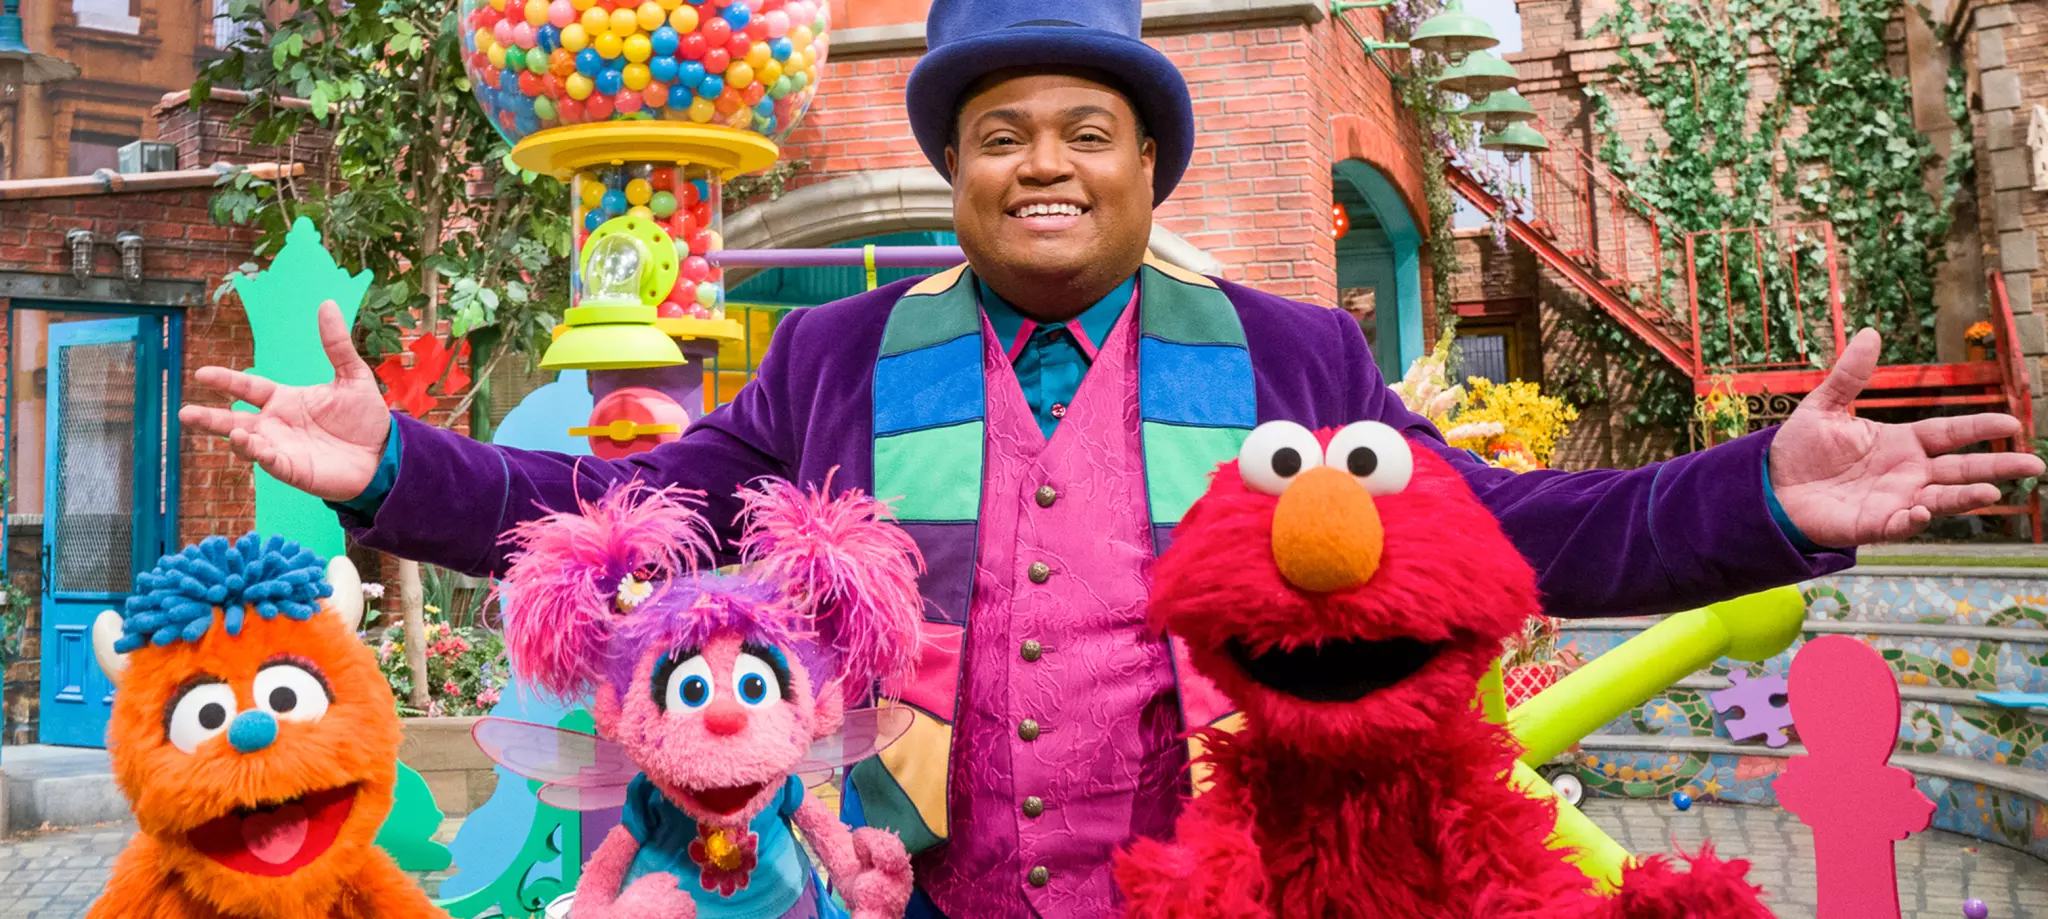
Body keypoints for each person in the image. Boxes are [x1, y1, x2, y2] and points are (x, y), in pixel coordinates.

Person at [178, 1, 2043, 916]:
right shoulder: (837, 357)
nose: (1045, 163)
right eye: (1003, 132)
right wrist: (388, 471)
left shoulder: (1293, 357)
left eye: (1087, 129)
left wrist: (1762, 501)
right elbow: (622, 527)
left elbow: (1503, 525)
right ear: (959, 169)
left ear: (1154, 169)